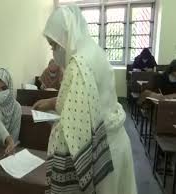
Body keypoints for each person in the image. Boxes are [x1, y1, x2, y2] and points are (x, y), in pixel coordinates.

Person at [33, 5, 137, 194]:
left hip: (103, 155)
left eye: (54, 45)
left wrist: (55, 129)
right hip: (118, 143)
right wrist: (51, 102)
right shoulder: (93, 50)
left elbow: (72, 133)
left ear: (66, 37)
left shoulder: (77, 65)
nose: (53, 52)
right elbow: (90, 97)